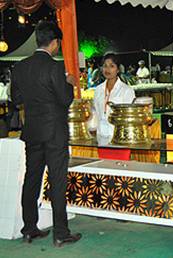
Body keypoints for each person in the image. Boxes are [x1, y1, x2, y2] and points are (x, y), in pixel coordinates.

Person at [10, 21, 81, 247]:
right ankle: (61, 233)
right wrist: (69, 83)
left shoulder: (19, 67)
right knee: (57, 181)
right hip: (55, 134)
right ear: (55, 43)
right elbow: (65, 99)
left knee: (32, 179)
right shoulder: (55, 68)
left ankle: (29, 228)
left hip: (32, 132)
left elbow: (17, 99)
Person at [90, 53, 135, 143]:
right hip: (101, 137)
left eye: (112, 66)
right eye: (105, 66)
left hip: (120, 138)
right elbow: (95, 112)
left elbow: (129, 117)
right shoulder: (98, 89)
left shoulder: (127, 90)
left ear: (118, 69)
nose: (107, 69)